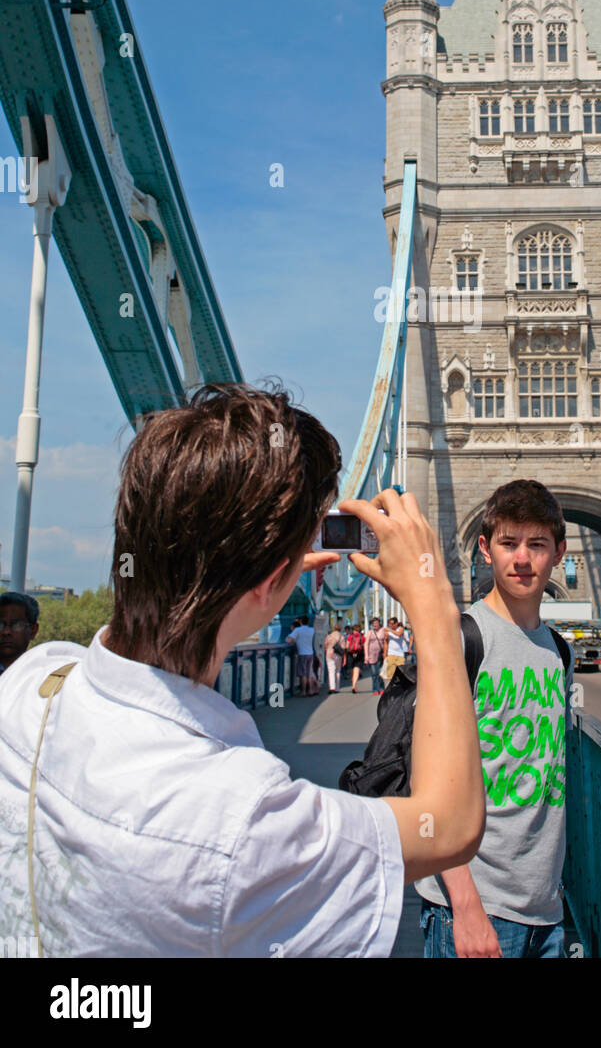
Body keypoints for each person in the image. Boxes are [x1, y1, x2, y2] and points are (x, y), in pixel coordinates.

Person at [0, 382, 484, 957]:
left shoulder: (35, 681)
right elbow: (449, 825)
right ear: (267, 584)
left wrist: (252, 582)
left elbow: (154, 601)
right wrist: (433, 605)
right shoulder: (247, 821)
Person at [417, 479, 573, 960]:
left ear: (559, 552)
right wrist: (466, 908)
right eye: (508, 543)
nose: (522, 559)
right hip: (472, 908)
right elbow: (430, 785)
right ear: (485, 549)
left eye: (537, 545)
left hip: (546, 910)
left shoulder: (559, 652)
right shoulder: (461, 640)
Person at [0, 592, 39, 675]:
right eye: (0, 624)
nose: (6, 632)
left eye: (16, 625)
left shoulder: (41, 674)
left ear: (33, 630)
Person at [287, 615, 316, 697]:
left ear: (300, 622)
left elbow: (289, 640)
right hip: (310, 653)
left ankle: (303, 691)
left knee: (303, 674)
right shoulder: (312, 630)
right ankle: (310, 690)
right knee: (309, 673)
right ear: (308, 622)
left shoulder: (298, 630)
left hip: (302, 653)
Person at [364, 616, 385, 694]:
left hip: (380, 654)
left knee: (380, 672)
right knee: (374, 673)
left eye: (376, 623)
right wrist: (366, 656)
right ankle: (375, 689)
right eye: (374, 623)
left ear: (379, 623)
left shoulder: (383, 631)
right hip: (371, 655)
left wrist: (386, 653)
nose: (375, 624)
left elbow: (386, 641)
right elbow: (366, 644)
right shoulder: (370, 632)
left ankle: (381, 688)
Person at [383, 618, 408, 684]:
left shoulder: (400, 628)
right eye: (389, 624)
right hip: (391, 653)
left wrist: (389, 630)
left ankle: (400, 686)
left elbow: (399, 634)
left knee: (401, 672)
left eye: (392, 624)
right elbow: (386, 642)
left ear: (396, 623)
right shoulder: (387, 631)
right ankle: (390, 687)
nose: (391, 625)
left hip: (400, 654)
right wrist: (385, 653)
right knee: (391, 673)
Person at [344, 620, 364, 694]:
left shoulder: (350, 636)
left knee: (353, 670)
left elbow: (346, 646)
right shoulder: (362, 637)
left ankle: (353, 683)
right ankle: (354, 685)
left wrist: (345, 657)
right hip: (359, 654)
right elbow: (364, 646)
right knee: (356, 670)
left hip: (350, 654)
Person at [325, 619, 344, 692]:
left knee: (331, 670)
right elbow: (344, 647)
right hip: (338, 654)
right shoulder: (341, 637)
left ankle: (332, 687)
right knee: (338, 671)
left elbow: (325, 645)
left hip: (329, 654)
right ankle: (337, 687)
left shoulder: (329, 636)